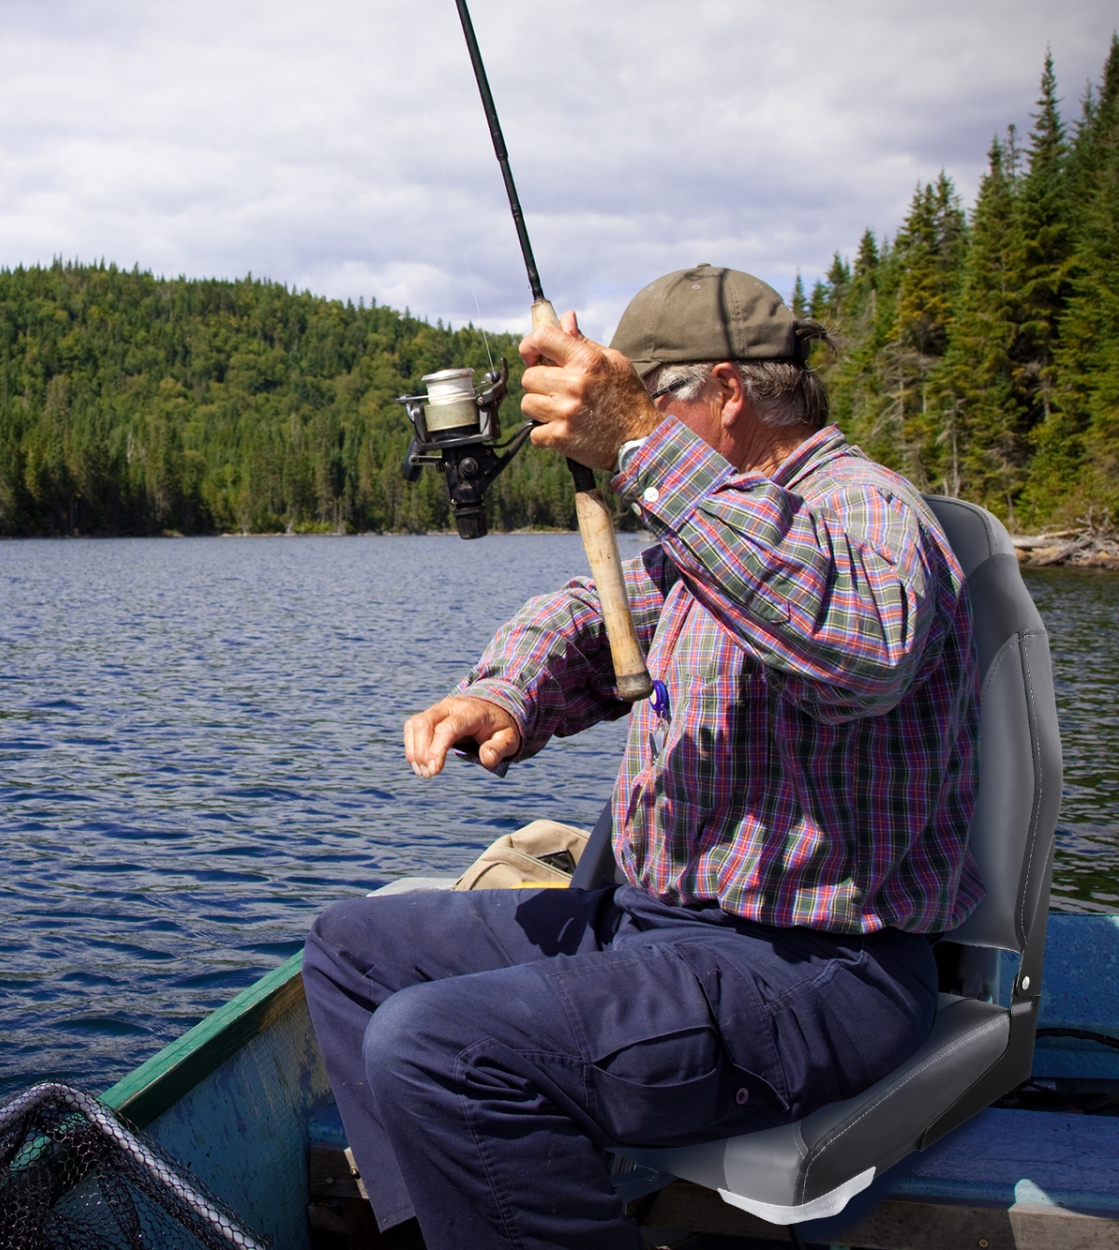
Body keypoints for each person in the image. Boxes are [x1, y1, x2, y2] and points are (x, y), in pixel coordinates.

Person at [303, 265, 981, 1250]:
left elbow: (860, 648)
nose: (628, 432)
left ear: (729, 391)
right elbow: (594, 619)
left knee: (437, 1045)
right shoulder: (718, 527)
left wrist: (632, 440)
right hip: (652, 929)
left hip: (815, 971)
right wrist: (503, 692)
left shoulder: (865, 508)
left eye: (652, 402)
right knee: (353, 947)